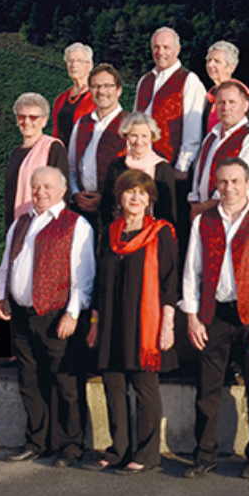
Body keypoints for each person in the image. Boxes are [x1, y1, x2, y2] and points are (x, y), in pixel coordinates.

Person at [181, 158, 249, 480]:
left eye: (235, 181)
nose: (228, 188)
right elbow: (191, 271)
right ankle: (205, 454)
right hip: (213, 315)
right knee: (207, 389)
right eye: (223, 182)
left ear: (247, 183)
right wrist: (193, 318)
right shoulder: (203, 221)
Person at [0, 166, 95, 467]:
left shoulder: (76, 224)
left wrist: (73, 313)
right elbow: (6, 263)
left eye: (47, 187)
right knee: (29, 380)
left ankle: (71, 446)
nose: (40, 192)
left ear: (62, 190)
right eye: (35, 187)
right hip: (22, 315)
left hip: (57, 315)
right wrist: (2, 295)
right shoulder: (21, 222)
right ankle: (37, 442)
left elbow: (84, 275)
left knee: (66, 383)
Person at [85, 170, 177, 474]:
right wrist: (96, 321)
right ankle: (120, 448)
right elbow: (99, 282)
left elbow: (168, 282)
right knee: (114, 385)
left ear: (150, 198)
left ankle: (147, 453)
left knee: (143, 387)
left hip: (145, 324)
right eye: (129, 192)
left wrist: (167, 324)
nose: (135, 198)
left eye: (142, 192)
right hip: (112, 320)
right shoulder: (110, 232)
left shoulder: (161, 232)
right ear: (120, 197)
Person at [188, 80, 249, 218]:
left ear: (245, 106)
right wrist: (195, 203)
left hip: (235, 216)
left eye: (232, 102)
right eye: (221, 102)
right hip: (202, 214)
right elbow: (199, 173)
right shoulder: (211, 137)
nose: (226, 107)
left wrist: (205, 207)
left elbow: (243, 186)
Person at [133, 26, 207, 178]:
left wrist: (182, 166)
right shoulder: (144, 81)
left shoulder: (189, 80)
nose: (160, 52)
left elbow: (192, 129)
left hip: (171, 166)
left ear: (177, 50)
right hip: (140, 163)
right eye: (156, 47)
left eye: (166, 47)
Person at [68, 63, 125, 228]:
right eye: (95, 86)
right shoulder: (82, 123)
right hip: (81, 208)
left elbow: (133, 175)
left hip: (115, 210)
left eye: (107, 85)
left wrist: (105, 198)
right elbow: (71, 166)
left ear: (119, 90)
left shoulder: (130, 124)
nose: (101, 91)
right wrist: (75, 193)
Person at [99, 112, 177, 233]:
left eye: (144, 136)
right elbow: (107, 205)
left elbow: (168, 211)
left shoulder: (162, 168)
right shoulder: (117, 166)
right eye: (134, 135)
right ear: (126, 136)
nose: (139, 141)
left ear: (152, 137)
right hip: (119, 232)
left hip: (152, 234)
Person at [4, 92, 69, 232]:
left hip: (45, 225)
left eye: (33, 117)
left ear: (44, 120)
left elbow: (62, 192)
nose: (27, 122)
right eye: (21, 116)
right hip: (17, 226)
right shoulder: (15, 153)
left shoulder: (53, 147)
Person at [51, 43, 96, 146]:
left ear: (89, 65)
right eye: (70, 61)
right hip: (62, 156)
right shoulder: (61, 99)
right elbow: (56, 133)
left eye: (79, 61)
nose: (73, 65)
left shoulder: (99, 96)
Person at [202, 40, 241, 134]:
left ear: (231, 67)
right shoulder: (210, 94)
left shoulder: (240, 94)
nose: (210, 65)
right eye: (208, 60)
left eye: (217, 61)